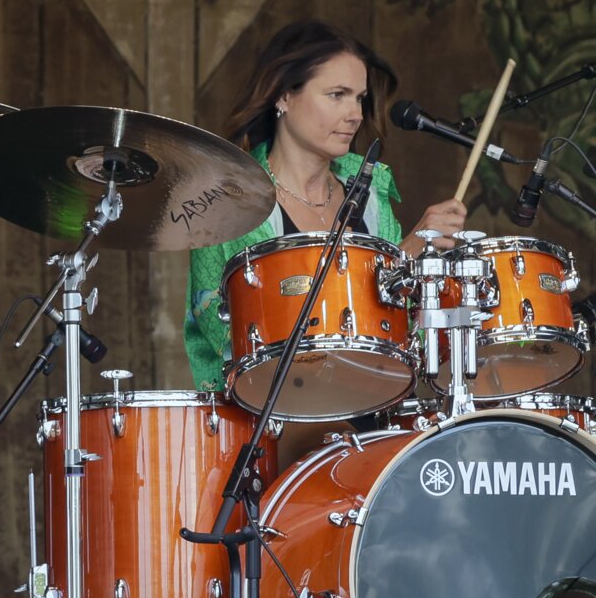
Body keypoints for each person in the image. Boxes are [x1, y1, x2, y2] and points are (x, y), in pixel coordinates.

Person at [186, 19, 467, 391]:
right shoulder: (231, 200)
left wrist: (429, 276)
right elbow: (248, 344)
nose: (355, 114)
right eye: (337, 94)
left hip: (375, 410)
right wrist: (400, 261)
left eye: (360, 98)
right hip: (274, 421)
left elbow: (402, 334)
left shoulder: (370, 191)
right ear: (284, 96)